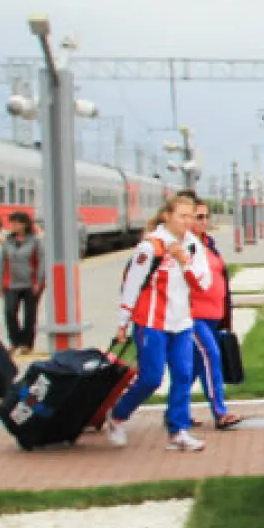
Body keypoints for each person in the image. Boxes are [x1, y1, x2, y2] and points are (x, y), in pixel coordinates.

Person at [104, 193, 214, 452]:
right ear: (167, 216)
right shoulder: (150, 246)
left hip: (182, 322)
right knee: (151, 378)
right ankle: (118, 416)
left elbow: (203, 284)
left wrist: (184, 262)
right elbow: (131, 285)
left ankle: (178, 431)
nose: (188, 222)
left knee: (183, 375)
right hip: (151, 323)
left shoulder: (193, 246)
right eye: (182, 216)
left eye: (192, 217)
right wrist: (122, 322)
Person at [187, 197, 242, 431]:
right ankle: (220, 412)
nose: (204, 221)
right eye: (199, 217)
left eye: (206, 216)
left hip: (213, 316)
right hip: (192, 317)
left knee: (190, 369)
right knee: (211, 356)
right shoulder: (184, 248)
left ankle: (175, 412)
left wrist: (225, 316)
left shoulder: (208, 245)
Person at [0, 211, 43, 355]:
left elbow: (41, 262)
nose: (14, 226)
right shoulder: (7, 242)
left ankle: (26, 343)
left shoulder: (35, 241)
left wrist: (39, 281)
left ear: (25, 224)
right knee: (10, 311)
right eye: (12, 223)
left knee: (30, 314)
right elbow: (1, 263)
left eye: (17, 223)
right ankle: (14, 341)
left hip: (30, 282)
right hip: (10, 283)